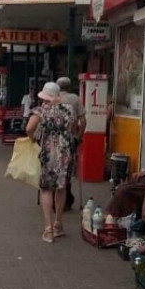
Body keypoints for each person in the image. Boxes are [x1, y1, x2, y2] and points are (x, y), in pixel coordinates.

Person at [25, 82, 76, 243]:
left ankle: (48, 230)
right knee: (61, 187)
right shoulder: (69, 110)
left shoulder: (40, 110)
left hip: (48, 152)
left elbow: (29, 128)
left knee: (46, 189)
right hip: (65, 152)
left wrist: (33, 139)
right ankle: (58, 224)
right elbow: (73, 128)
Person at [57, 77, 87, 210]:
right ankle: (67, 197)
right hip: (70, 139)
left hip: (55, 140)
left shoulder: (53, 97)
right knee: (68, 167)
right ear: (69, 87)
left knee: (55, 168)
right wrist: (78, 137)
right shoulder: (75, 99)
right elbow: (83, 121)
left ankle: (55, 198)